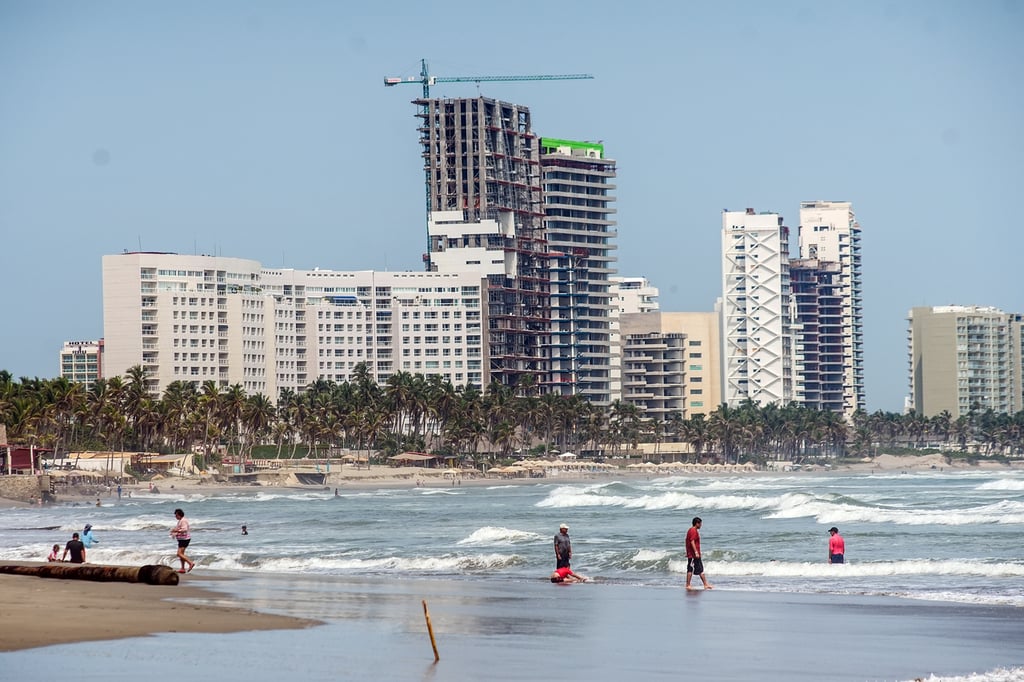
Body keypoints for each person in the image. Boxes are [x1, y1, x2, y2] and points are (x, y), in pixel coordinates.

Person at [685, 517, 712, 590]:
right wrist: (696, 552)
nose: (701, 525)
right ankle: (688, 585)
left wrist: (688, 551)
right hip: (693, 554)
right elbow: (692, 541)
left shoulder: (691, 530)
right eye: (700, 523)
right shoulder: (693, 531)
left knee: (697, 568)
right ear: (697, 523)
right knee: (692, 569)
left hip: (692, 553)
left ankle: (705, 584)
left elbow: (687, 541)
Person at [170, 508, 195, 573]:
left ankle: (190, 563)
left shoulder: (183, 520)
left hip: (184, 539)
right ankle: (182, 568)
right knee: (182, 554)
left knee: (179, 554)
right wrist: (174, 532)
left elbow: (184, 529)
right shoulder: (181, 520)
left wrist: (176, 530)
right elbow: (180, 529)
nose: (175, 516)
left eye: (176, 515)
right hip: (182, 539)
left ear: (179, 515)